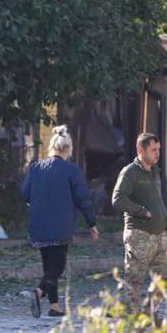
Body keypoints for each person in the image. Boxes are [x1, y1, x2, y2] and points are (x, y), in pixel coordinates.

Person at [22, 125, 98, 318]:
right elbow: (83, 199)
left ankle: (54, 306)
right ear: (68, 149)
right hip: (60, 226)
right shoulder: (72, 170)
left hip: (39, 224)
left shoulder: (36, 167)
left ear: (51, 147)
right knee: (57, 266)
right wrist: (92, 223)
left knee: (48, 264)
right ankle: (38, 292)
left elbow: (25, 193)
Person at [112, 133, 167, 324]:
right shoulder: (130, 172)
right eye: (153, 150)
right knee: (134, 279)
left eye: (158, 149)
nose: (158, 153)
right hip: (138, 234)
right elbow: (117, 199)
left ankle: (149, 312)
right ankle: (133, 317)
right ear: (140, 150)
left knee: (165, 275)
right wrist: (141, 211)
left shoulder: (154, 171)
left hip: (159, 234)